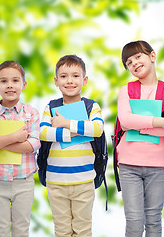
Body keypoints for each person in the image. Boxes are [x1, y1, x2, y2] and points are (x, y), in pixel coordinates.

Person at [116, 40, 164, 237]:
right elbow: (125, 120)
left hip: (158, 165)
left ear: (152, 56)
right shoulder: (126, 90)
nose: (133, 63)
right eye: (128, 62)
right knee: (134, 222)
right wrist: (159, 122)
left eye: (137, 57)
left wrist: (137, 126)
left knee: (153, 220)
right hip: (128, 164)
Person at [39, 55, 103, 237]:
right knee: (61, 229)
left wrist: (65, 123)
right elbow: (43, 133)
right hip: (55, 181)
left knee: (82, 229)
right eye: (64, 76)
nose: (69, 81)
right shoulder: (50, 107)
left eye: (75, 76)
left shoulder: (91, 106)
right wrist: (79, 131)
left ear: (84, 80)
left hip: (84, 180)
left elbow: (97, 129)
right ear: (56, 81)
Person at [0, 61, 40, 236]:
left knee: (21, 228)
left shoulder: (31, 113)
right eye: (4, 81)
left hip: (24, 181)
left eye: (15, 80)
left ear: (23, 84)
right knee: (0, 229)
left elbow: (33, 144)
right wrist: (14, 138)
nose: (10, 85)